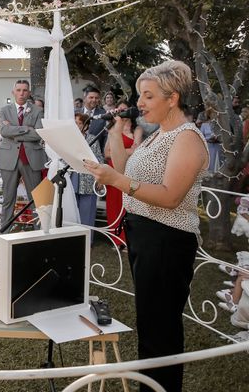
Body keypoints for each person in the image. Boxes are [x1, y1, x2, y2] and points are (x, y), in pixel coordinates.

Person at [84, 60, 209, 392]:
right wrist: (114, 135)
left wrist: (118, 181)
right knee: (150, 325)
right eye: (140, 95)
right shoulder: (158, 136)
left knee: (161, 331)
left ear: (173, 98)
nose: (140, 103)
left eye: (148, 96)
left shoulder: (187, 139)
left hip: (167, 240)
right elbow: (128, 171)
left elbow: (170, 197)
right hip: (143, 234)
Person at [0, 80, 47, 232]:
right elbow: (4, 131)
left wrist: (14, 131)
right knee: (8, 198)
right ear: (13, 92)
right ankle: (4, 231)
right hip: (9, 159)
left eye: (25, 90)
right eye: (18, 90)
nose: (22, 93)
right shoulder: (4, 110)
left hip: (31, 159)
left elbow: (38, 133)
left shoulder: (37, 110)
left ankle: (40, 231)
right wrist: (26, 129)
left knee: (36, 198)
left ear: (29, 92)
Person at [104, 99, 137, 243]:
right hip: (112, 170)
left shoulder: (136, 129)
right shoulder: (111, 128)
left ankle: (126, 238)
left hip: (128, 170)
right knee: (113, 204)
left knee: (126, 205)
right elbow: (106, 153)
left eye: (125, 109)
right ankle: (115, 239)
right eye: (120, 109)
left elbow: (137, 150)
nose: (122, 112)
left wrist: (117, 150)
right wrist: (125, 151)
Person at [70, 112, 104, 230]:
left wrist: (100, 178)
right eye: (75, 123)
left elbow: (99, 158)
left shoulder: (92, 139)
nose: (77, 125)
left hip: (88, 179)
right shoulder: (68, 138)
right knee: (72, 211)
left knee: (87, 212)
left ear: (86, 126)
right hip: (72, 178)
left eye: (79, 123)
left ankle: (87, 241)